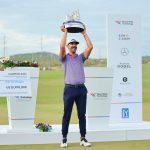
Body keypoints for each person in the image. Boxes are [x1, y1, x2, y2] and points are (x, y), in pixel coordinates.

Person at [59, 25, 93, 148]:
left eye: (75, 44)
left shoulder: (80, 58)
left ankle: (83, 138)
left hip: (81, 89)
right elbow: (61, 46)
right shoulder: (64, 58)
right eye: (71, 44)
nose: (74, 45)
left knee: (81, 115)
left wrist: (84, 33)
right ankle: (64, 138)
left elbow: (90, 47)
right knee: (66, 114)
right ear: (68, 46)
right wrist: (65, 32)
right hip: (69, 89)